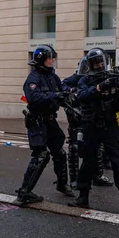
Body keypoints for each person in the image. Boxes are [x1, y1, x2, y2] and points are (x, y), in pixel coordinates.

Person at [70, 48, 119, 216]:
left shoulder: (111, 77)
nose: (99, 65)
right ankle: (82, 196)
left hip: (111, 125)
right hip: (91, 125)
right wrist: (100, 87)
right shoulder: (85, 80)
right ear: (90, 65)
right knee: (87, 162)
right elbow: (82, 96)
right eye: (95, 63)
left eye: (100, 62)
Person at [15, 45, 74, 206]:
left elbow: (61, 95)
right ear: (42, 59)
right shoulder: (33, 78)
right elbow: (33, 97)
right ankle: (24, 192)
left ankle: (62, 184)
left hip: (50, 120)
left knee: (60, 153)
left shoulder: (53, 77)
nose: (52, 61)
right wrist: (55, 95)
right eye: (49, 58)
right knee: (41, 155)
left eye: (53, 58)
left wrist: (69, 99)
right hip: (37, 120)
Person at [61, 57, 113, 189]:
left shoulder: (96, 78)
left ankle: (98, 175)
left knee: (98, 147)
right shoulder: (74, 79)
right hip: (77, 117)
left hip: (92, 117)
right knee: (74, 147)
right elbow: (63, 88)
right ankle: (74, 178)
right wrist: (71, 93)